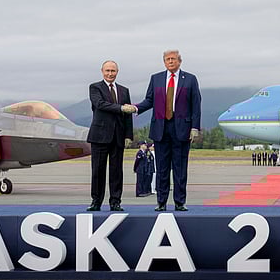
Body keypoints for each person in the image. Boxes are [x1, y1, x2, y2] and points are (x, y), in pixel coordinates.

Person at [128, 49, 202, 212]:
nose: (170, 61)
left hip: (182, 129)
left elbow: (196, 104)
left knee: (180, 168)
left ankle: (179, 202)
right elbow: (149, 100)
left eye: (173, 59)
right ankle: (161, 202)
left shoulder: (190, 79)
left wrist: (195, 127)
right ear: (164, 62)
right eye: (167, 59)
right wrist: (135, 108)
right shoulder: (156, 78)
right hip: (161, 128)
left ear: (179, 61)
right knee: (162, 168)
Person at [86, 60, 134, 212]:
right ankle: (96, 202)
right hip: (99, 136)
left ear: (117, 72)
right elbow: (100, 104)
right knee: (98, 171)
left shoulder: (124, 91)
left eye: (113, 71)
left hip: (118, 136)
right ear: (102, 71)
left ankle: (115, 202)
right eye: (107, 70)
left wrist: (128, 135)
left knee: (116, 171)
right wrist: (121, 108)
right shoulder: (95, 88)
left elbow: (128, 116)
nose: (110, 73)